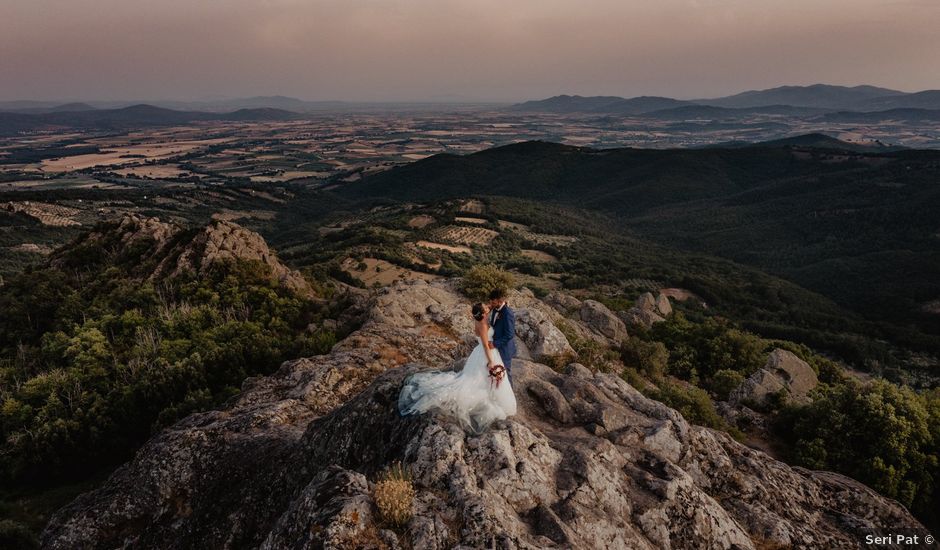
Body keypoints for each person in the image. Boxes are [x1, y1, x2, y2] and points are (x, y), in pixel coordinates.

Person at [398, 302, 517, 433]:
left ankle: (491, 393)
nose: (488, 306)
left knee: (480, 378)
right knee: (482, 379)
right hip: (486, 354)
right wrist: (490, 362)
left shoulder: (479, 321)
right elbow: (485, 346)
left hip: (478, 354)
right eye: (486, 308)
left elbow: (490, 315)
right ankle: (490, 397)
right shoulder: (483, 325)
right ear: (483, 314)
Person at [487, 287, 517, 383]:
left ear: (500, 301)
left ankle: (510, 397)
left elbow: (510, 334)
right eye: (491, 302)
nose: (492, 305)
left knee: (506, 373)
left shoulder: (507, 313)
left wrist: (495, 344)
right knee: (497, 372)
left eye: (494, 303)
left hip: (504, 348)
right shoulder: (496, 308)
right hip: (496, 347)